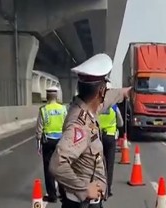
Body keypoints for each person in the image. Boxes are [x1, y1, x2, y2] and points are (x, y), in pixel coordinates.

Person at [49, 53, 131, 208]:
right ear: (100, 91)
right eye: (105, 89)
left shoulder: (87, 107)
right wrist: (84, 189)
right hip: (82, 204)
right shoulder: (80, 125)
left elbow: (109, 98)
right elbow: (57, 164)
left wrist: (126, 92)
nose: (106, 93)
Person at [35, 86, 67, 203]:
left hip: (48, 141)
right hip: (61, 141)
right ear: (57, 96)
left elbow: (39, 129)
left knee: (49, 168)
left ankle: (52, 195)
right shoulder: (63, 109)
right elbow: (67, 124)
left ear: (47, 96)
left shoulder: (43, 110)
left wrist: (38, 143)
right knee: (62, 167)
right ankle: (64, 194)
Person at [97, 82, 124, 198]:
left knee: (97, 164)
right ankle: (108, 190)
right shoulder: (113, 107)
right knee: (109, 165)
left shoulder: (97, 106)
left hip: (97, 138)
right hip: (110, 137)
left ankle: (98, 187)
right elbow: (121, 123)